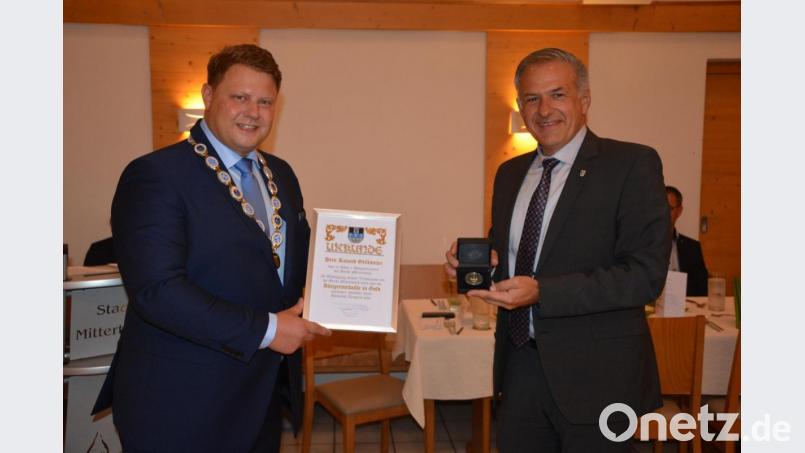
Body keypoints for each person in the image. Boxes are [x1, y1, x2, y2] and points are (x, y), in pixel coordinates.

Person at [92, 44, 331, 452]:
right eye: (239, 97)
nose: (252, 112)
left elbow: (289, 263)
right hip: (181, 401)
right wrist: (270, 329)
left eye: (265, 101)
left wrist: (337, 290)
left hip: (261, 394)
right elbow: (158, 291)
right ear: (207, 96)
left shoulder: (282, 175)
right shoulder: (156, 176)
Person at [445, 48, 670, 452]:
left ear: (584, 100)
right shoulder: (510, 173)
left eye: (557, 95)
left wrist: (544, 291)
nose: (544, 109)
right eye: (532, 98)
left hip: (598, 378)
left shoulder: (631, 164)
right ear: (520, 106)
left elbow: (645, 276)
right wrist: (474, 268)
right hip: (519, 371)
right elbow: (511, 259)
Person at [666, 185, 709, 296]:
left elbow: (703, 289)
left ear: (679, 211)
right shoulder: (642, 245)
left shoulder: (692, 248)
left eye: (669, 209)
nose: (663, 213)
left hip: (686, 308)